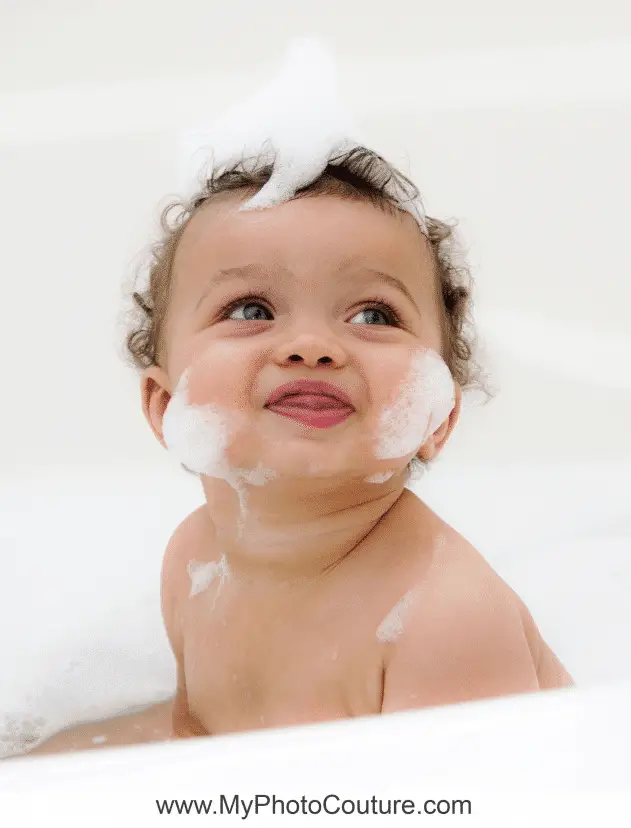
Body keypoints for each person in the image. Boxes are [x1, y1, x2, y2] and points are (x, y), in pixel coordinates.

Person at [26, 146, 572, 757]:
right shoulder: (194, 560)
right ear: (163, 405)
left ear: (437, 416)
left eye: (372, 314)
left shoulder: (443, 620)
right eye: (252, 309)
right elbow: (189, 745)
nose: (312, 345)